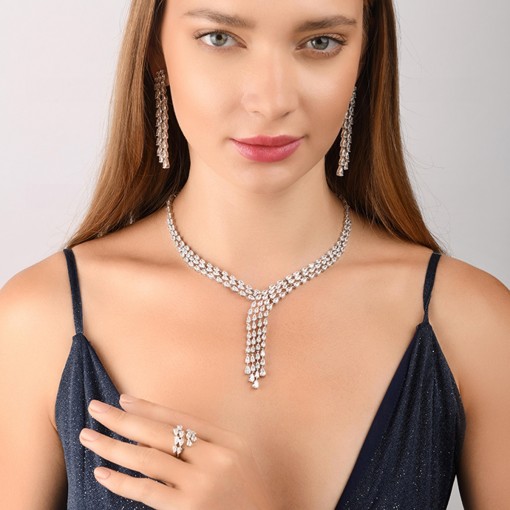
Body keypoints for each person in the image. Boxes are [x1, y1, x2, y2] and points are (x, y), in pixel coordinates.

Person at [1, 0, 509, 508]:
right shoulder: (38, 320)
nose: (270, 102)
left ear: (364, 57)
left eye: (320, 42)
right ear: (156, 50)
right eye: (220, 38)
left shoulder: (473, 322)